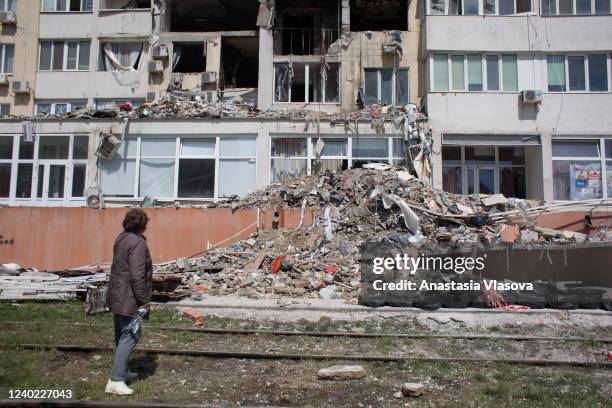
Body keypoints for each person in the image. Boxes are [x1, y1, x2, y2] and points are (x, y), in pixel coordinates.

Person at [105, 208, 153, 395]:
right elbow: (137, 275)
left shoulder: (121, 238)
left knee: (121, 334)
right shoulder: (138, 243)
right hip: (129, 296)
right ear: (143, 225)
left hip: (117, 293)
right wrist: (144, 300)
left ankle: (122, 372)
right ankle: (116, 381)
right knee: (131, 334)